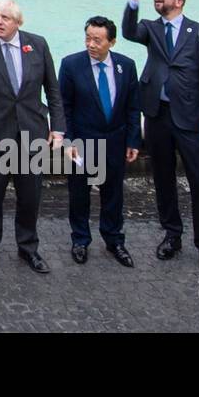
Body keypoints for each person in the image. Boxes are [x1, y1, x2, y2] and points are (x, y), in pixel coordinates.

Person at [120, 0, 199, 280]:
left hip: (193, 120)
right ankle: (172, 234)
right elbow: (127, 32)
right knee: (163, 179)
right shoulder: (150, 28)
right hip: (157, 116)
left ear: (178, 1)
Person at [0, 0, 64, 274]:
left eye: (5, 17)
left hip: (32, 134)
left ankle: (28, 247)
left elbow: (53, 90)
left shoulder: (38, 44)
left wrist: (58, 128)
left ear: (18, 22)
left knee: (30, 195)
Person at [58, 17, 141, 267]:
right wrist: (68, 140)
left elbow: (132, 106)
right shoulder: (71, 65)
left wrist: (133, 140)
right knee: (79, 193)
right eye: (88, 38)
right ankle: (80, 239)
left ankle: (114, 238)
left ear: (111, 42)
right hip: (83, 141)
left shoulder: (126, 66)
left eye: (97, 40)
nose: (91, 44)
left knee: (113, 193)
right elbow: (64, 107)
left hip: (115, 140)